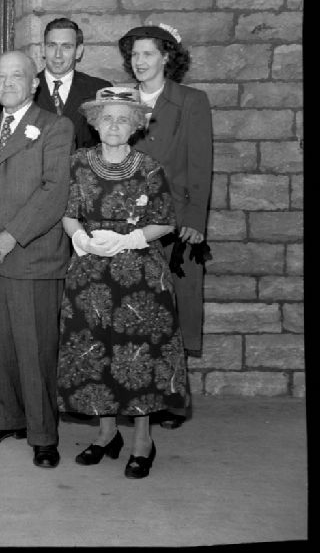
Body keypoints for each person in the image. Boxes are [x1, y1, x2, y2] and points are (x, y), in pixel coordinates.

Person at [57, 86, 188, 479]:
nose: (114, 126)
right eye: (107, 119)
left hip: (139, 277)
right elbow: (68, 212)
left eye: (123, 120)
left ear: (136, 127)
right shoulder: (78, 163)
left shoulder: (150, 168)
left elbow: (165, 221)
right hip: (90, 273)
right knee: (96, 352)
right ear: (95, 124)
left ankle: (143, 441)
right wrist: (81, 238)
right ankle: (106, 433)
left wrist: (130, 239)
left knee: (138, 357)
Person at [0, 51, 73, 469]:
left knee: (36, 348)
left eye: (17, 76)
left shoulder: (55, 127)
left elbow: (54, 191)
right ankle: (4, 418)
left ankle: (43, 434)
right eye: (1, 76)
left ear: (34, 83)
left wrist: (11, 235)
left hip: (32, 255)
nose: (7, 83)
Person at [119, 23, 213, 431]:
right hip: (129, 224)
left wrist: (193, 220)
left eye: (148, 54)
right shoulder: (121, 100)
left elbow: (201, 163)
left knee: (173, 311)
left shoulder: (191, 101)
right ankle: (136, 397)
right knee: (134, 311)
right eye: (134, 55)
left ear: (167, 57)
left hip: (175, 225)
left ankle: (172, 401)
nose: (139, 62)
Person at [33, 17, 112, 151]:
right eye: (52, 46)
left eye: (66, 47)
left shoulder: (99, 90)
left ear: (78, 51)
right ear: (43, 49)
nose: (58, 54)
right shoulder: (25, 89)